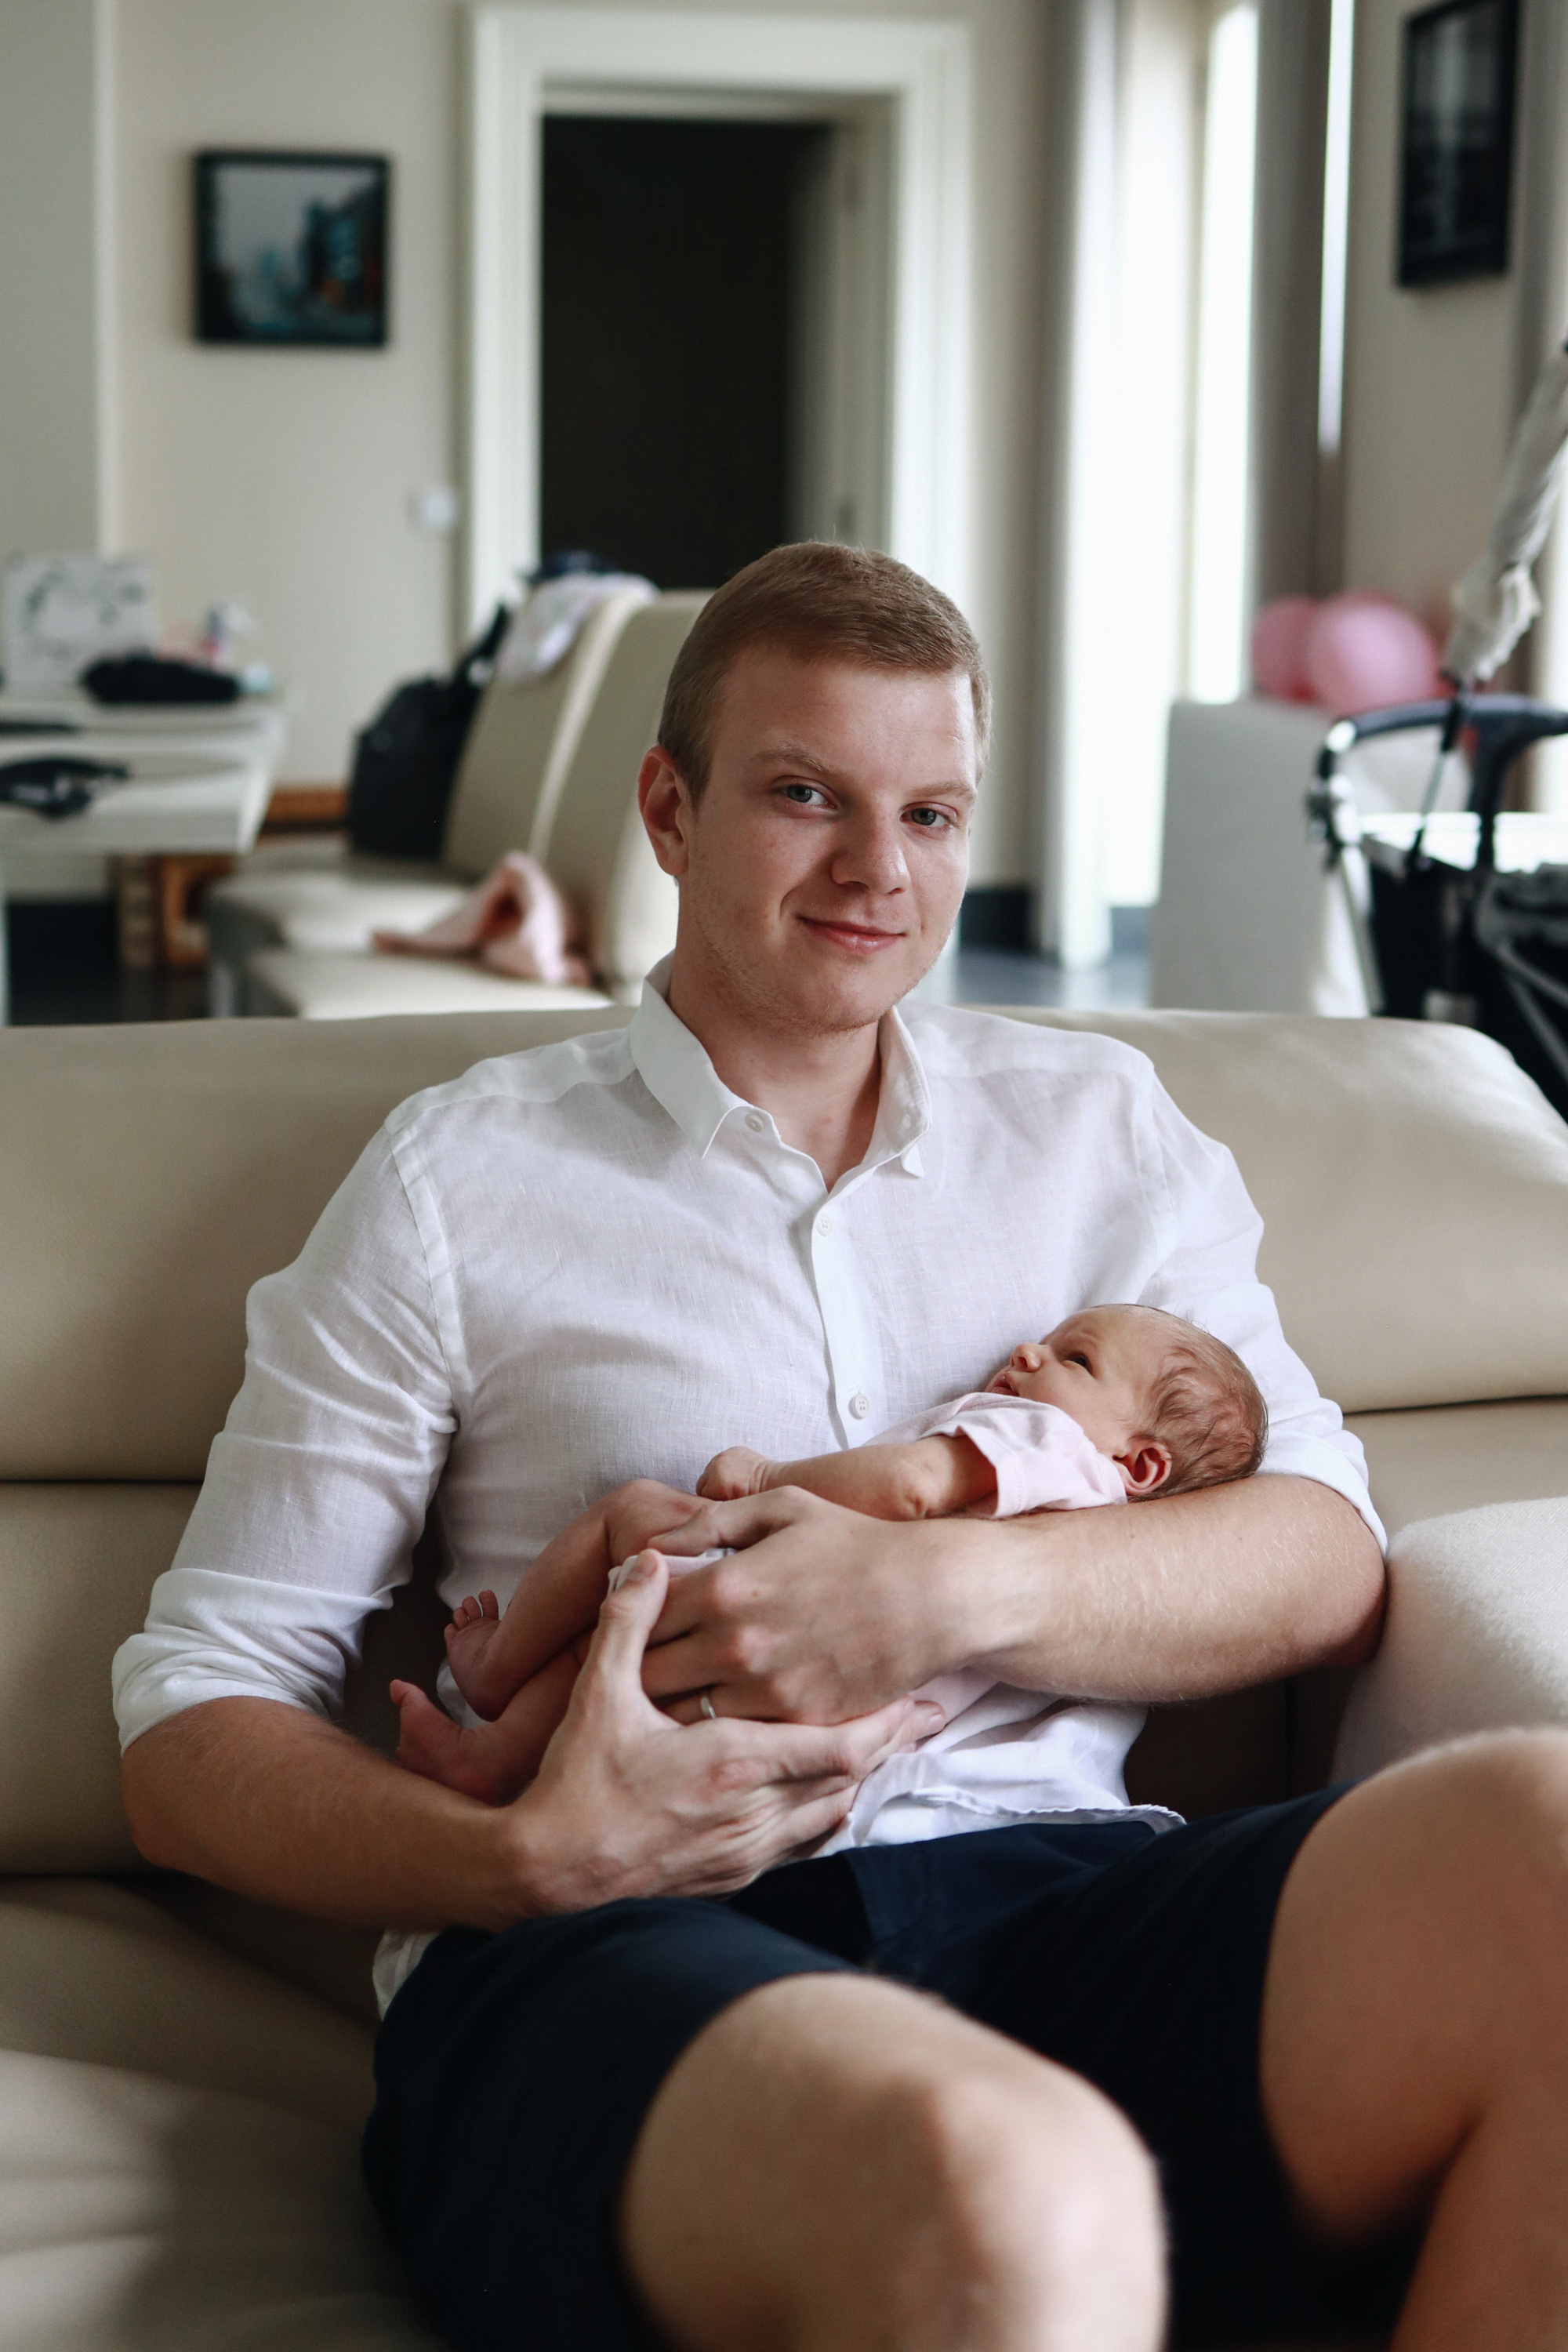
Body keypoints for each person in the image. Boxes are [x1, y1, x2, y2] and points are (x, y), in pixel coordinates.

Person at [113, 543, 1568, 2352]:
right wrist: (521, 1861)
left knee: (1545, 1843)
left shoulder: (1097, 1129)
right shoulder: (455, 1179)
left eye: (932, 809)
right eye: (805, 794)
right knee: (996, 2179)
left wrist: (938, 1585)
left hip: (1070, 1890)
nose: (880, 870)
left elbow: (1317, 1547)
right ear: (667, 804)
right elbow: (192, 1716)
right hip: (611, 1949)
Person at [388, 1303, 1268, 1807]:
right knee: (625, 1658)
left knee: (636, 1524)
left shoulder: (1051, 1448)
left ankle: (498, 1675)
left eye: (1074, 1357)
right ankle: (492, 1763)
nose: (1030, 1350)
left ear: (1140, 1462)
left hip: (791, 1608)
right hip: (860, 1702)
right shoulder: (1095, 1530)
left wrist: (769, 1474)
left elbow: (911, 1486)